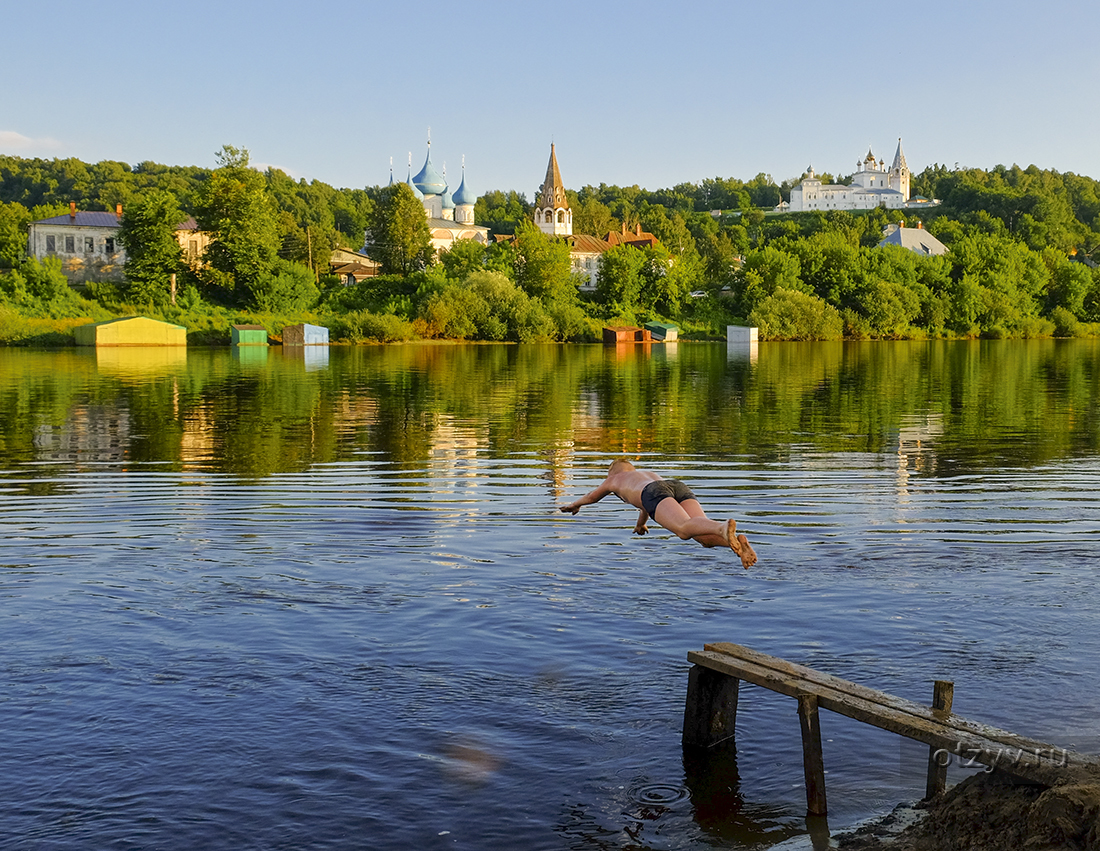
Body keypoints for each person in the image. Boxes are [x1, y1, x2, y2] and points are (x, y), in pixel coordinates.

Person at [559, 458, 757, 568]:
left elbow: (592, 496)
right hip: (675, 485)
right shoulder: (642, 475)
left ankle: (722, 527)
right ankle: (737, 544)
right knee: (702, 537)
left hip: (653, 493)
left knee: (683, 529)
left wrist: (575, 505)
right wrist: (640, 523)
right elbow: (646, 503)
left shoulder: (614, 479)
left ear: (612, 473)